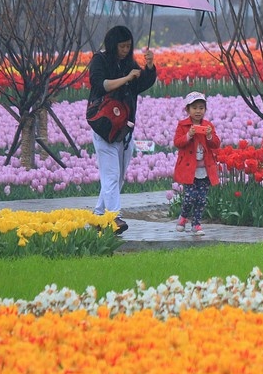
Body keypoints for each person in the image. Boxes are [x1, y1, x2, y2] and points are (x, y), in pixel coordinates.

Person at [88, 26, 157, 234]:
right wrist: (127, 78)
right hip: (104, 126)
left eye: (128, 46)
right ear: (113, 44)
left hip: (124, 129)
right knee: (110, 174)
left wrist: (149, 67)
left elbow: (140, 85)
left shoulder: (129, 63)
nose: (126, 50)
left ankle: (98, 216)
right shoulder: (99, 60)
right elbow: (100, 85)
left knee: (118, 177)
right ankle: (114, 217)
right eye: (122, 46)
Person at [173, 92, 221, 235]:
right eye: (194, 108)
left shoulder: (208, 126)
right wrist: (189, 135)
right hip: (189, 169)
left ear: (205, 110)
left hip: (205, 169)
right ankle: (183, 217)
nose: (198, 111)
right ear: (187, 110)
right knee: (189, 196)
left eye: (201, 107)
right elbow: (177, 142)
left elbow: (216, 144)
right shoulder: (183, 125)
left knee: (201, 199)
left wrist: (209, 135)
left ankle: (197, 224)